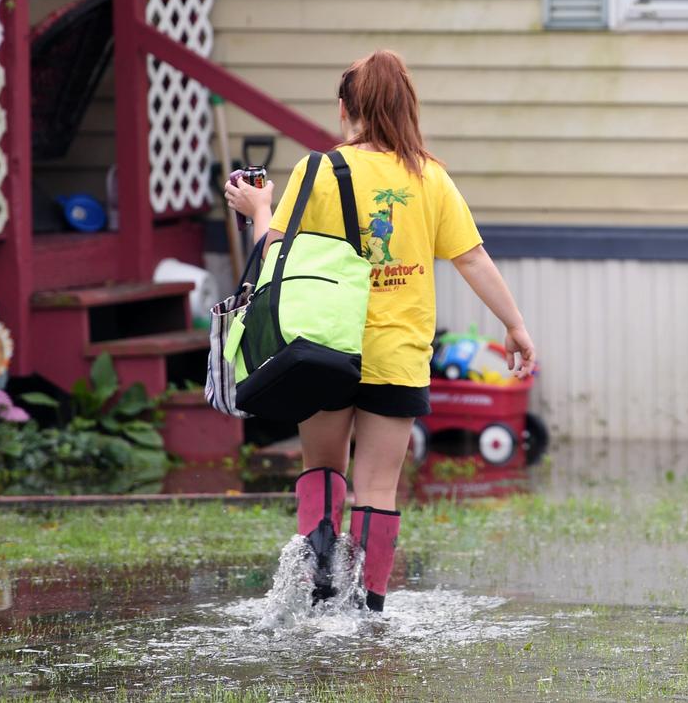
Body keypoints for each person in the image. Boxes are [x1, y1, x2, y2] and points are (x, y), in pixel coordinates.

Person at [224, 49, 536, 612]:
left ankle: (319, 590)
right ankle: (365, 607)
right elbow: (472, 259)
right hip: (398, 354)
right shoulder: (430, 178)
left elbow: (275, 257)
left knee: (322, 468)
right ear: (406, 108)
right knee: (378, 488)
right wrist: (513, 325)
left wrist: (258, 209)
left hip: (323, 347)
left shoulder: (318, 170)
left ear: (345, 108)